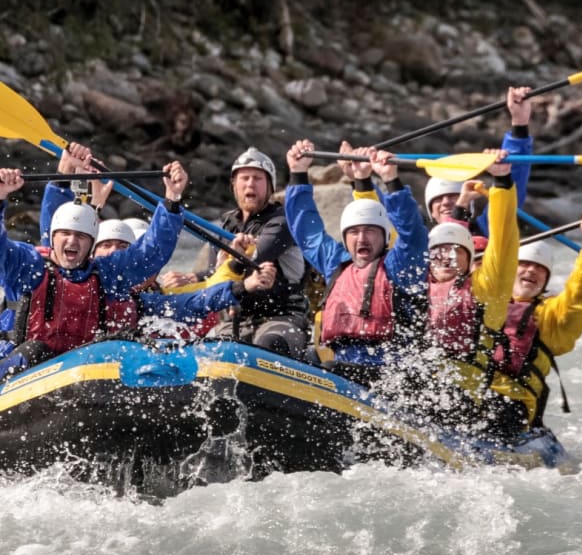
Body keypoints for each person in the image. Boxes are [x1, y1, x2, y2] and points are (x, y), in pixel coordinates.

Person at [0, 152, 188, 377]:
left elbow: (150, 253)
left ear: (91, 244)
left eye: (80, 236)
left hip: (78, 371)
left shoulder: (105, 273)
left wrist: (172, 199)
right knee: (35, 350)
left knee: (120, 343)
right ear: (52, 238)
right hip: (22, 365)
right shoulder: (28, 265)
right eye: (65, 234)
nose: (71, 241)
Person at [285, 139, 428, 382]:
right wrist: (298, 173)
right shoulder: (337, 264)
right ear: (345, 237)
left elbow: (413, 233)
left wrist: (391, 180)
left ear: (384, 237)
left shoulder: (399, 266)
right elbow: (307, 233)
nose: (361, 238)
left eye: (370, 231)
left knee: (329, 370)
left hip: (389, 375)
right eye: (354, 232)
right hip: (343, 367)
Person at [161, 147, 310, 359]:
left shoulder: (283, 222)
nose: (250, 184)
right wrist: (194, 277)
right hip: (236, 320)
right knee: (207, 354)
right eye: (244, 178)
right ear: (234, 186)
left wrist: (238, 254)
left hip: (281, 318)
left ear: (270, 187)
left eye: (258, 178)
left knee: (267, 345)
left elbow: (257, 257)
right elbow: (218, 274)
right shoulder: (225, 227)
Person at [417, 150, 520, 430]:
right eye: (437, 253)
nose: (445, 257)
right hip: (423, 385)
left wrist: (502, 183)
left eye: (454, 252)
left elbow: (503, 240)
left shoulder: (485, 290)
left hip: (462, 396)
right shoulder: (420, 288)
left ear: (469, 258)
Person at [490, 223, 582, 432]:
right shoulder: (485, 302)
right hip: (473, 390)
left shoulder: (551, 314)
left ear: (546, 279)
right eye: (524, 264)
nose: (532, 270)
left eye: (541, 268)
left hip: (513, 403)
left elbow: (580, 297)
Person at [424, 86, 533, 234]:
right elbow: (400, 218)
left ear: (470, 203)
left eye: (454, 196)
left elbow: (507, 198)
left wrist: (519, 123)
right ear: (431, 212)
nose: (446, 202)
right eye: (438, 199)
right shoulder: (418, 244)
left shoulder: (487, 232)